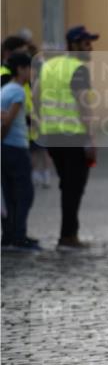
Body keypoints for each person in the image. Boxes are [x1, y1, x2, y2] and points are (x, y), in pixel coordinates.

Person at [33, 24, 98, 249]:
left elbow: (36, 95)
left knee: (67, 185)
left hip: (52, 135)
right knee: (74, 186)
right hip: (73, 135)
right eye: (87, 43)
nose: (90, 48)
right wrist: (90, 138)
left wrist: (40, 124)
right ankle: (68, 236)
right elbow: (83, 105)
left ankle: (69, 234)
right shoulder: (78, 69)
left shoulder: (49, 66)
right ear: (74, 45)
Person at [1, 52, 40, 251]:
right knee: (25, 193)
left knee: (9, 193)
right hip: (15, 147)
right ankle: (19, 236)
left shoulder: (5, 89)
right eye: (29, 68)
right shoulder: (17, 92)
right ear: (20, 69)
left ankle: (9, 236)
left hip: (6, 149)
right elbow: (7, 121)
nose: (31, 72)